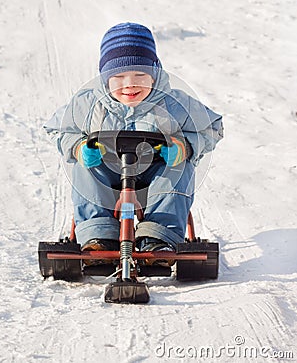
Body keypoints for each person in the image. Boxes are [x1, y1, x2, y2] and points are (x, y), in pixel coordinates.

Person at [44, 22, 223, 262]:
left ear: (154, 73)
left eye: (140, 75)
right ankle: (98, 236)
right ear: (105, 78)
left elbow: (212, 127)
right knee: (85, 169)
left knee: (179, 170)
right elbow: (58, 129)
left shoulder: (174, 103)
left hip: (155, 173)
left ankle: (159, 238)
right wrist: (77, 147)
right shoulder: (87, 104)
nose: (130, 84)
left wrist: (186, 147)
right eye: (118, 77)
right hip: (107, 172)